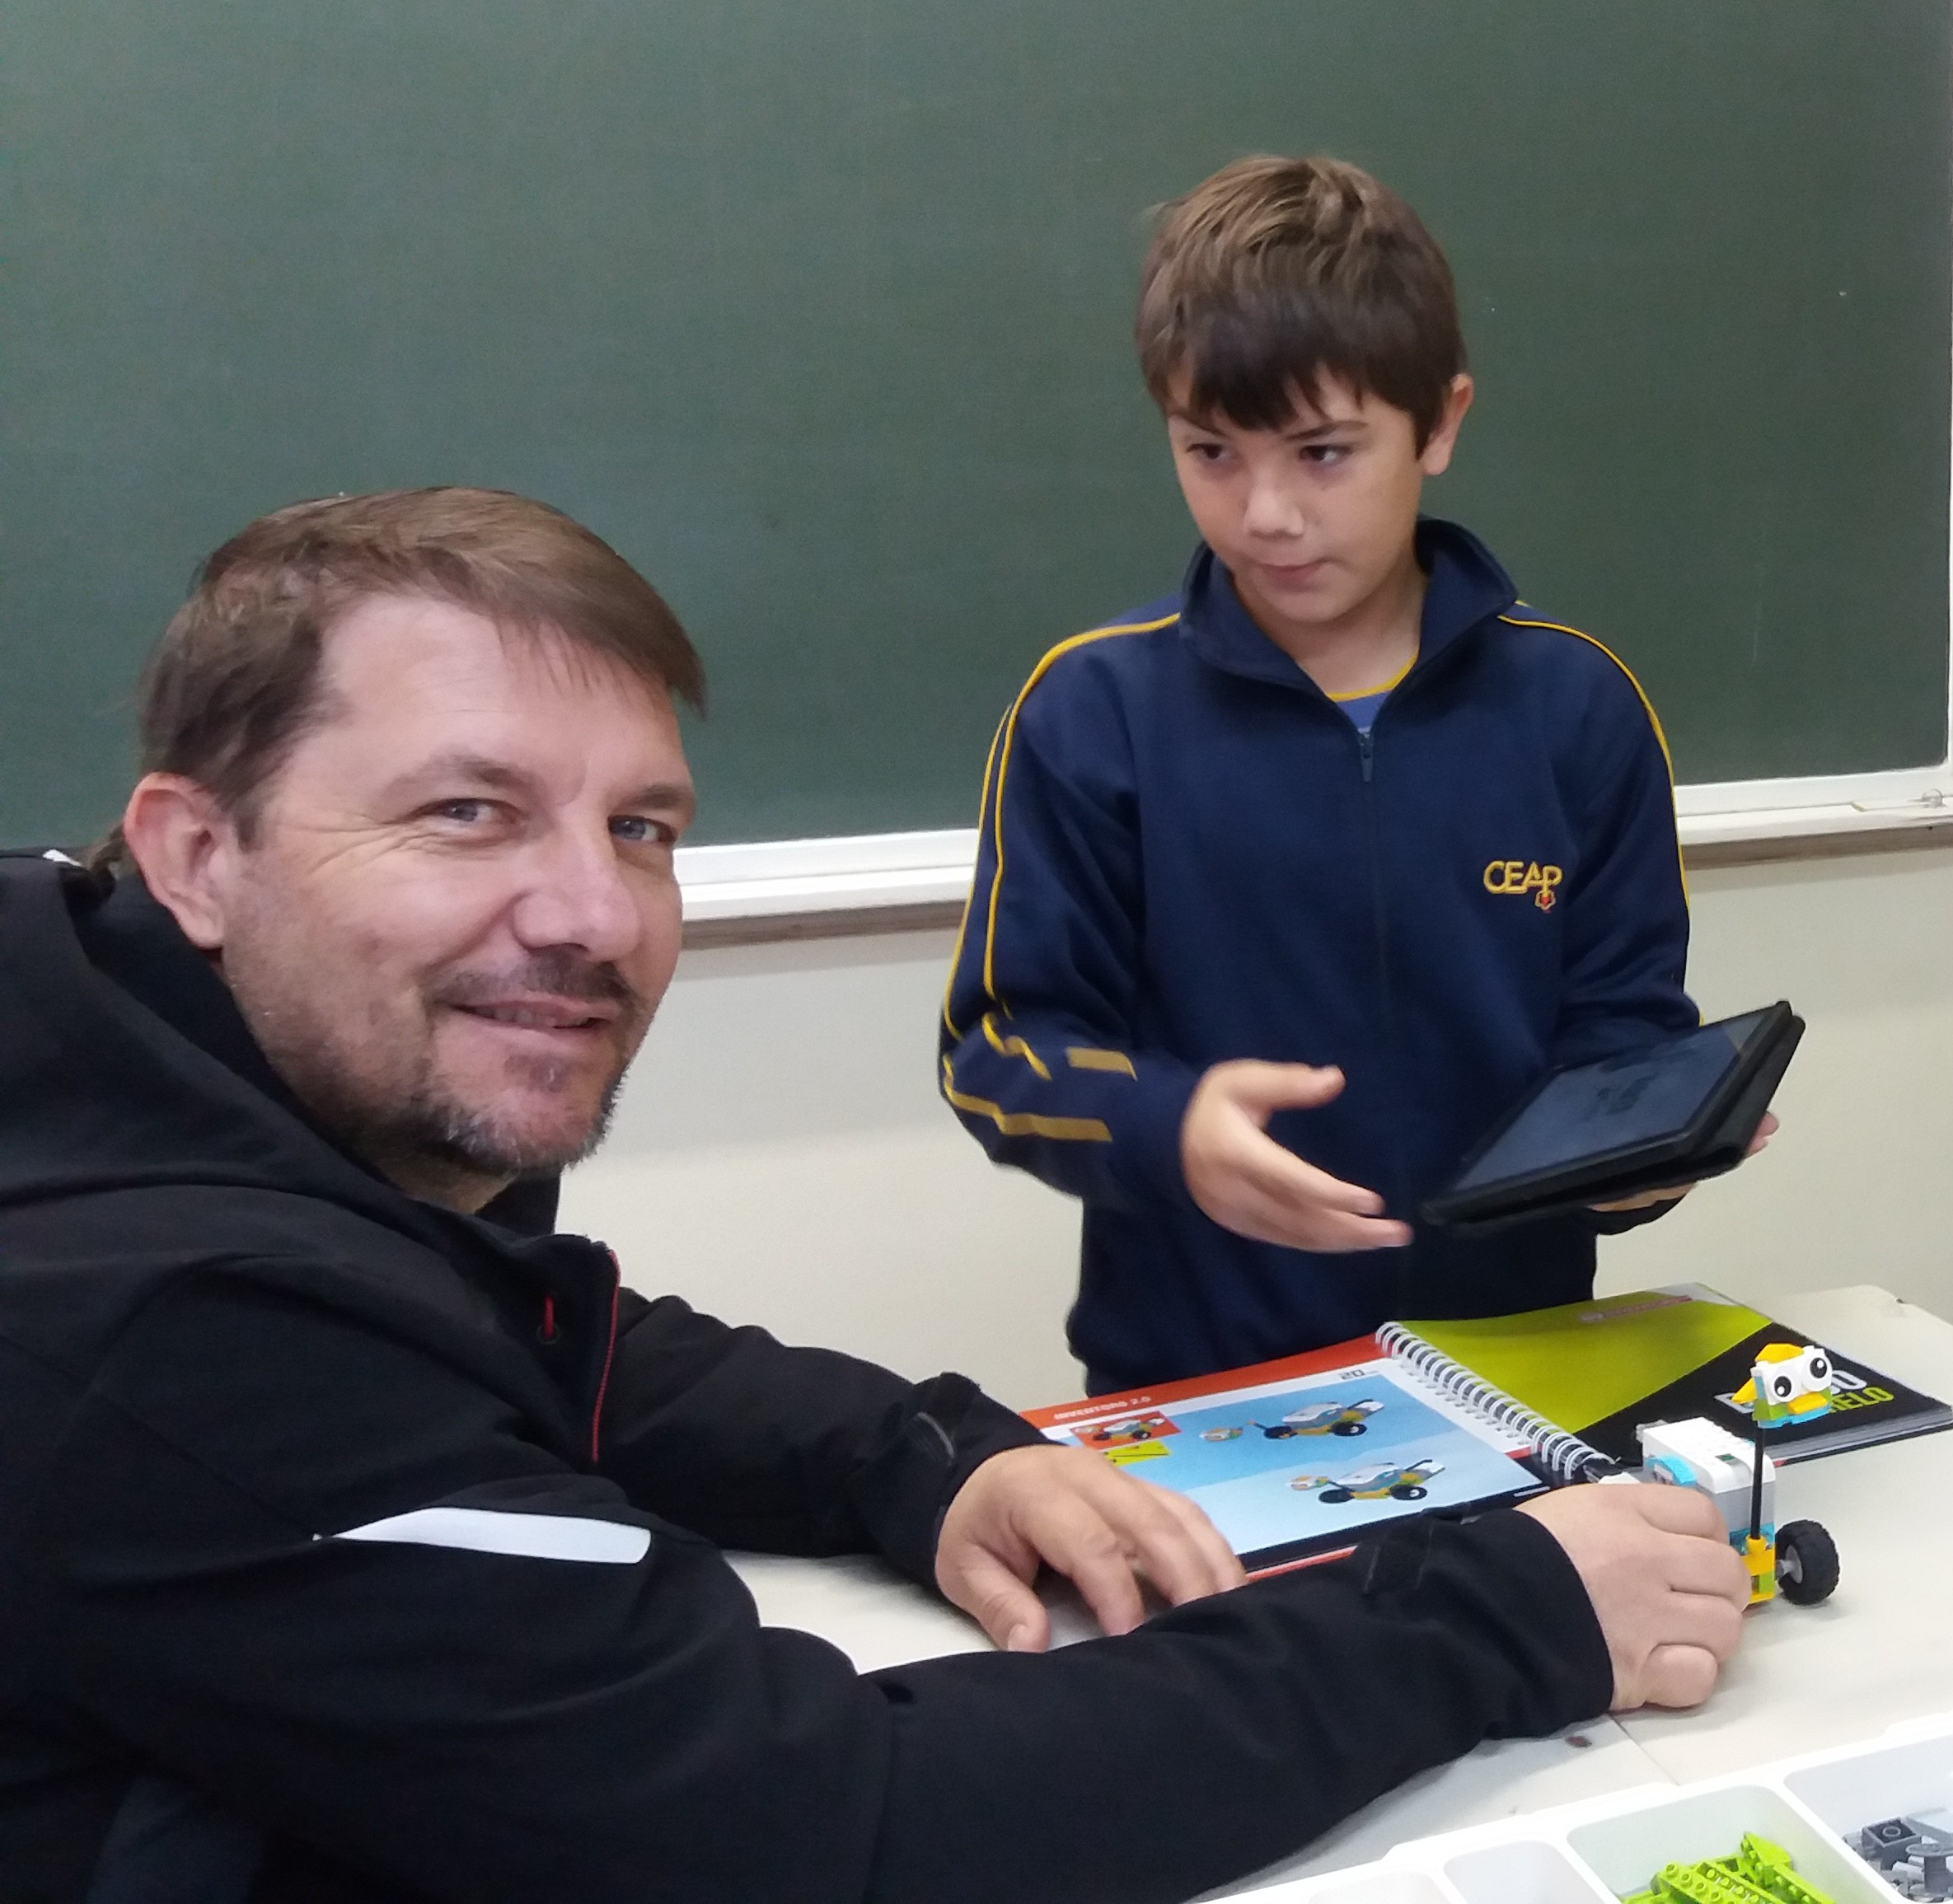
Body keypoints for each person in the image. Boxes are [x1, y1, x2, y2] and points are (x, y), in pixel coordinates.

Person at [0, 488, 1750, 1903]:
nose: (594, 915)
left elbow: (551, 1341)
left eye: (643, 829)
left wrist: (927, 1454)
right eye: (468, 811)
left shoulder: (174, 1083)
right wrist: (1496, 1617)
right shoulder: (171, 1321)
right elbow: (806, 1825)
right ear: (196, 854)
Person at [938, 153, 1741, 1392]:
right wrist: (1170, 1127)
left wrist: (1650, 1154)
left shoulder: (1577, 707)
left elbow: (1623, 1038)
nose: (1265, 513)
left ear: (1441, 424)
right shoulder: (1090, 711)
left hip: (1515, 1371)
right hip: (1202, 1392)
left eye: (1322, 453)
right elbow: (1001, 1047)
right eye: (1211, 451)